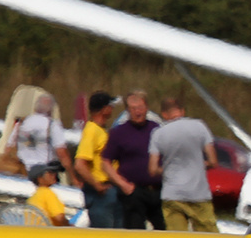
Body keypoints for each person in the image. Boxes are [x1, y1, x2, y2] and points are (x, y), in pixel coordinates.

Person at [149, 96, 218, 233]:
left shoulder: (158, 134)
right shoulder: (199, 126)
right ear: (182, 111)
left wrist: (168, 170)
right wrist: (200, 164)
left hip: (172, 194)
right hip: (198, 193)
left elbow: (152, 169)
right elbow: (213, 161)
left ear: (164, 114)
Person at [103, 90, 164, 230]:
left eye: (141, 108)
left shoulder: (157, 130)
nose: (138, 112)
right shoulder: (119, 133)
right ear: (127, 110)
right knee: (135, 233)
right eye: (133, 108)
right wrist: (123, 184)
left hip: (158, 191)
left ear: (147, 108)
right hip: (133, 192)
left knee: (164, 231)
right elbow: (105, 162)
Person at [74, 91, 122, 228]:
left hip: (111, 190)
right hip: (102, 194)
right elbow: (80, 164)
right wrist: (98, 186)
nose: (112, 110)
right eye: (110, 106)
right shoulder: (92, 131)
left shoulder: (101, 130)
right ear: (104, 109)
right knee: (107, 236)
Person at [6, 93, 74, 185]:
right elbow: (62, 154)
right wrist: (73, 177)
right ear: (51, 110)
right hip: (43, 175)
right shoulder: (53, 125)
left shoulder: (22, 122)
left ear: (35, 108)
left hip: (20, 172)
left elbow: (8, 148)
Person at [26, 160, 70, 227]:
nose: (54, 175)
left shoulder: (33, 197)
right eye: (50, 173)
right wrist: (70, 227)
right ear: (40, 178)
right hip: (48, 233)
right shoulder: (47, 193)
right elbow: (59, 218)